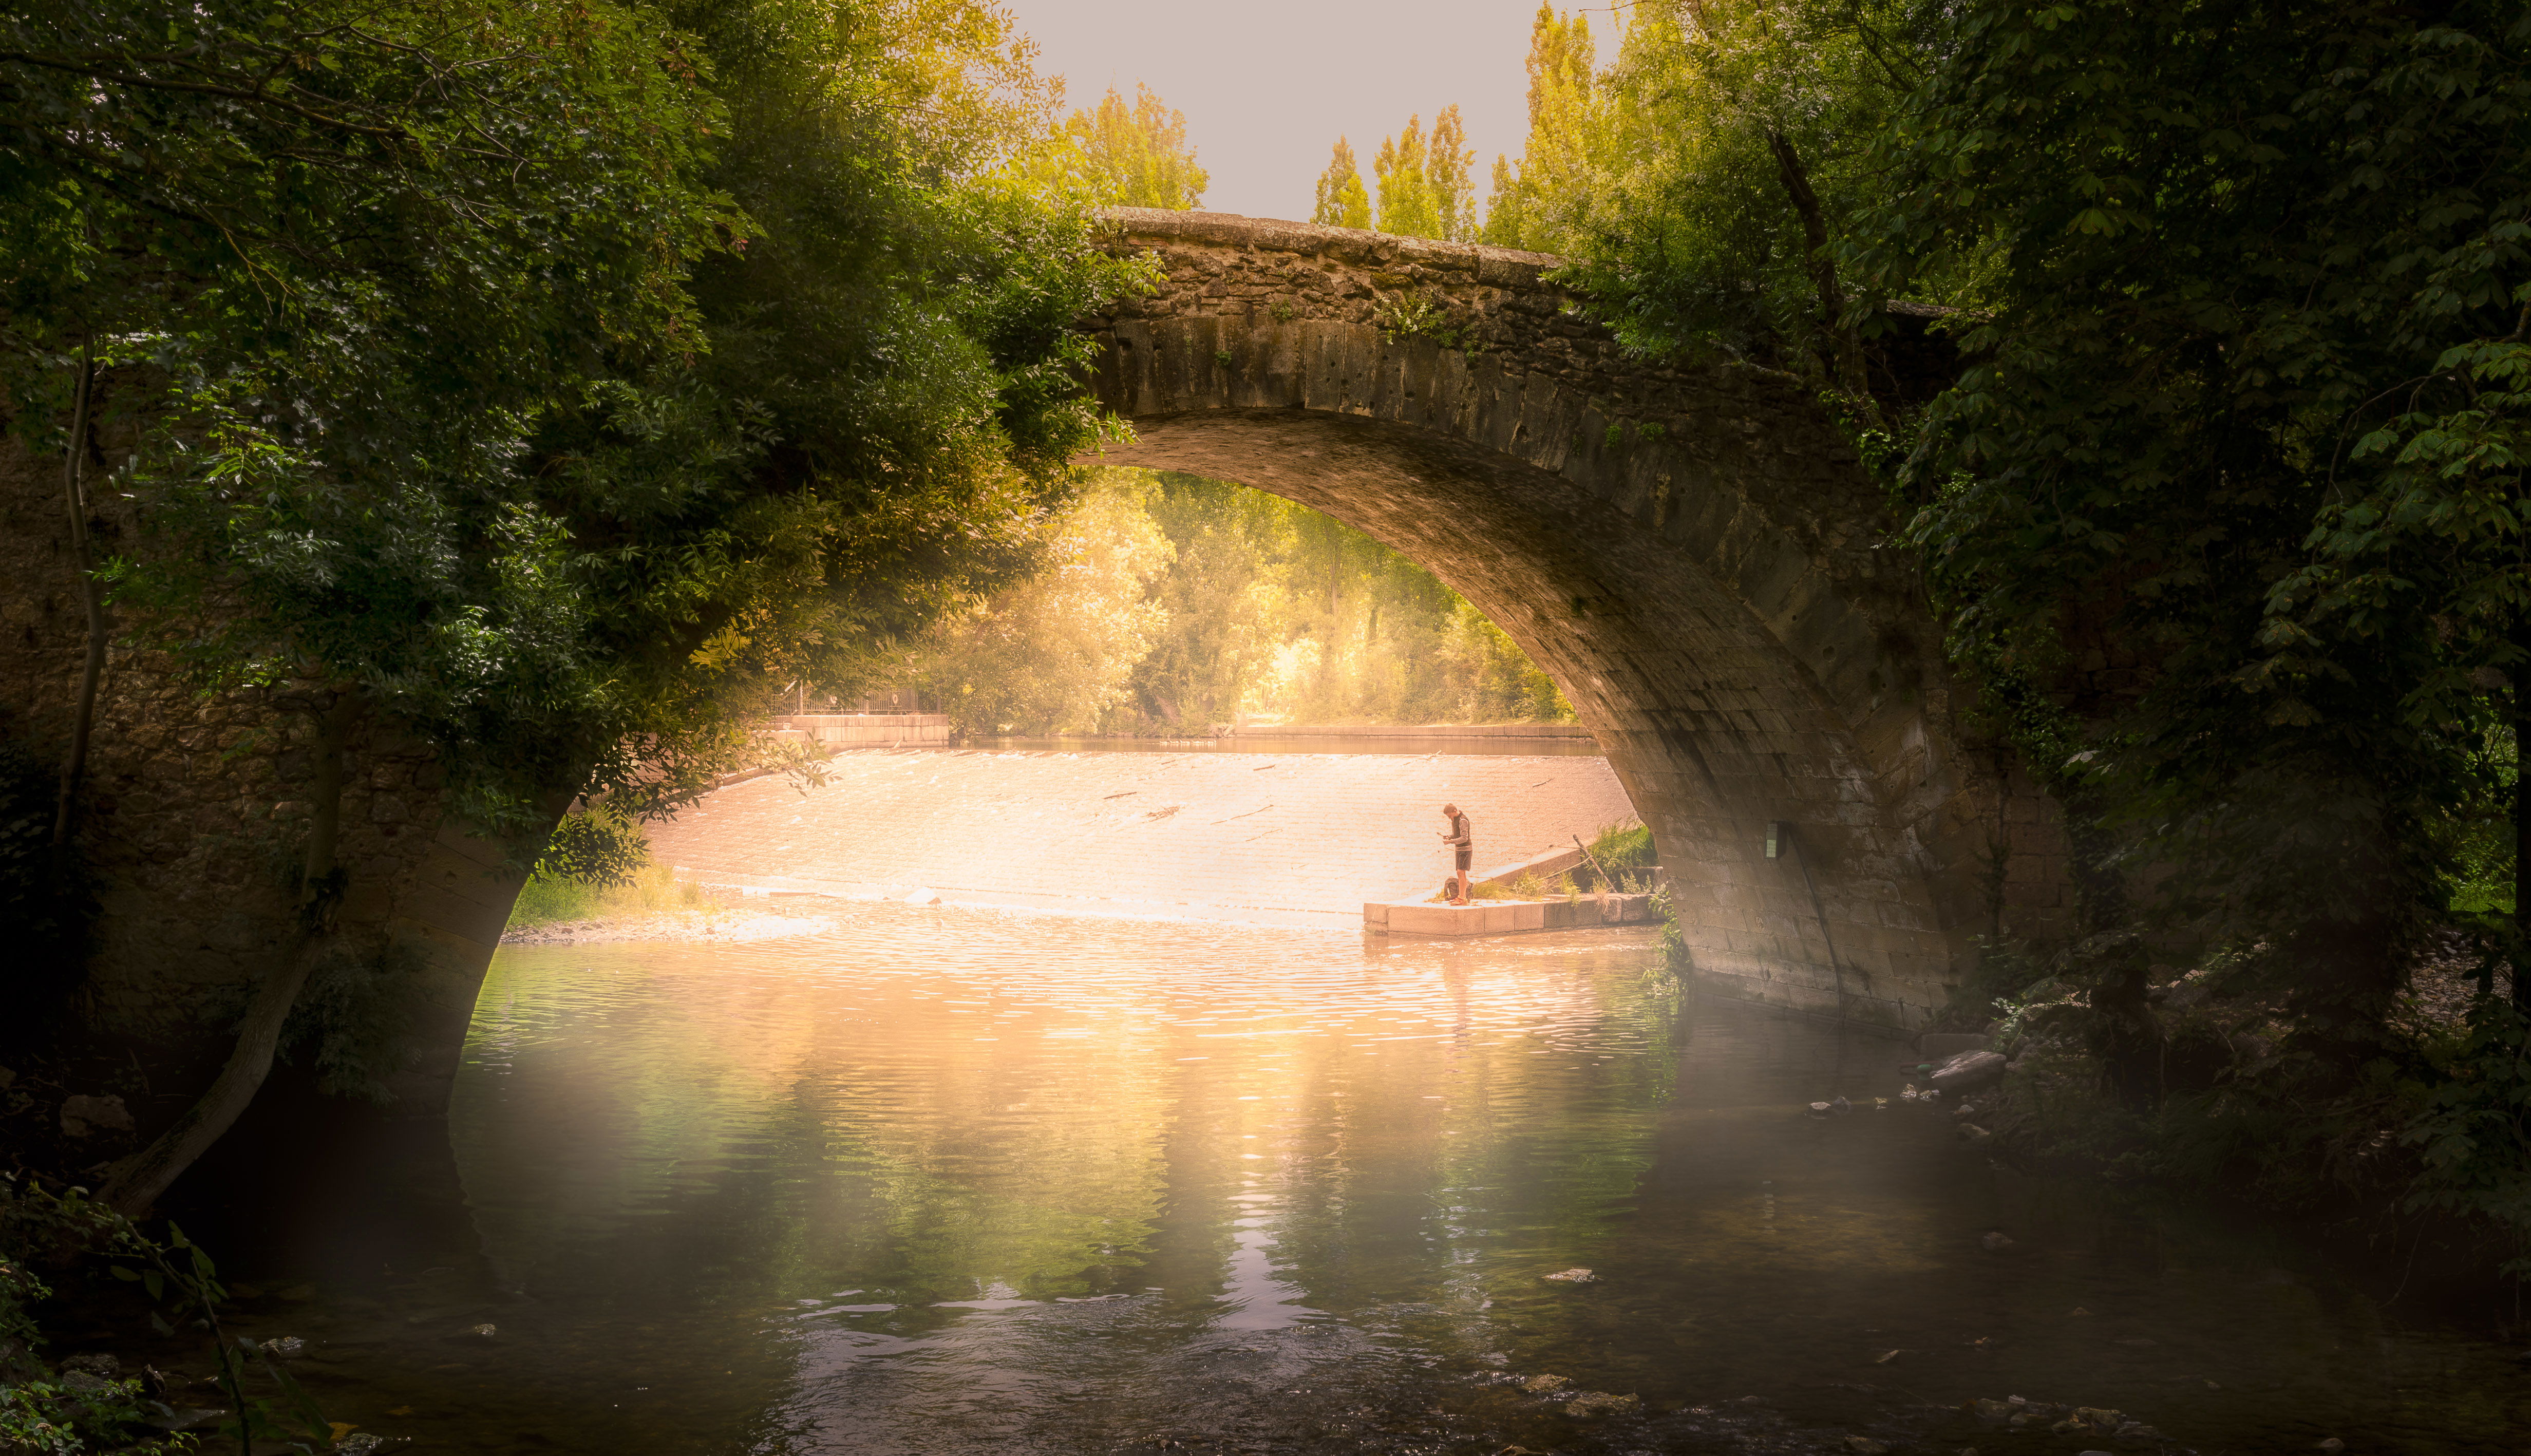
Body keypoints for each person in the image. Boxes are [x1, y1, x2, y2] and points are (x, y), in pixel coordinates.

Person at [1438, 802, 1473, 905]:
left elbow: (1464, 838)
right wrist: (1450, 836)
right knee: (1460, 872)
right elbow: (1456, 834)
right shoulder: (1455, 820)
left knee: (1461, 872)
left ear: (1454, 811)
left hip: (1465, 850)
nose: (1449, 818)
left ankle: (1462, 899)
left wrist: (1450, 842)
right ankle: (1461, 897)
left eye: (1450, 815)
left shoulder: (1463, 820)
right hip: (1459, 850)